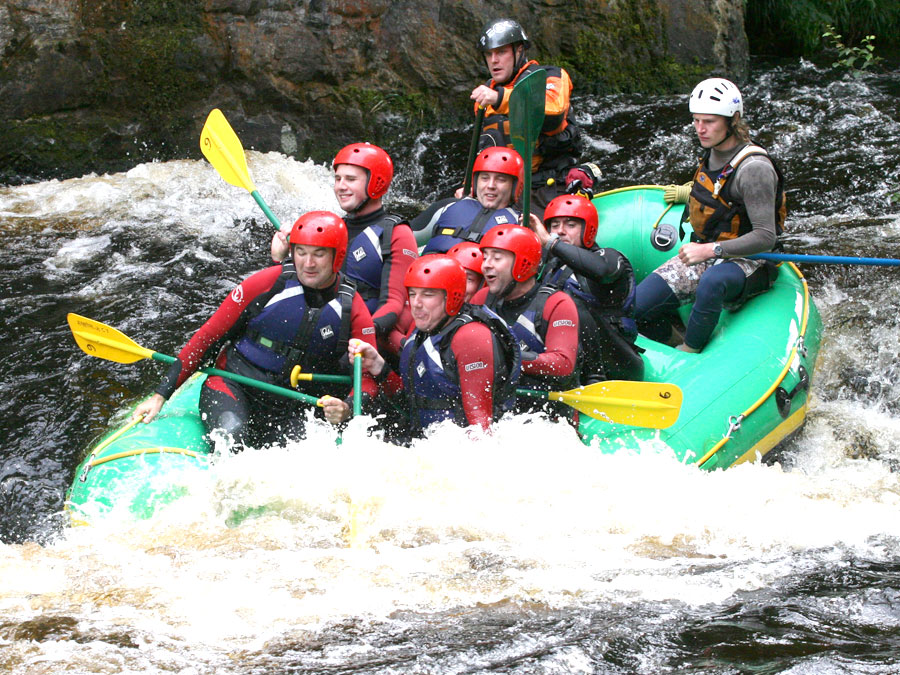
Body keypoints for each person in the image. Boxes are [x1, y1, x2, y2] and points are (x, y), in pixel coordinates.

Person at [136, 211, 377, 446]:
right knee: (233, 436)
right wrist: (161, 395)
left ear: (337, 256)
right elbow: (208, 337)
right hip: (234, 384)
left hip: (293, 405)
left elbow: (367, 378)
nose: (308, 263)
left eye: (319, 254)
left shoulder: (351, 307)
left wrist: (346, 408)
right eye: (301, 252)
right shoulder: (267, 283)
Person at [634, 77, 785, 353]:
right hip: (709, 252)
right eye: (696, 120)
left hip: (750, 260)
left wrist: (710, 250)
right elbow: (719, 195)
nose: (700, 129)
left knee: (713, 282)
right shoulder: (714, 150)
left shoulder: (754, 168)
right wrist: (687, 193)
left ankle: (691, 350)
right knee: (634, 307)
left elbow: (766, 236)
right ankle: (672, 343)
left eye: (709, 122)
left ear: (733, 120)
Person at [346, 255, 521, 436]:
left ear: (452, 296)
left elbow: (481, 428)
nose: (416, 303)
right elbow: (411, 402)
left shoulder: (471, 338)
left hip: (457, 448)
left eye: (428, 294)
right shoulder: (424, 332)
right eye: (412, 294)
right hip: (425, 443)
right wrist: (377, 365)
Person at [271, 142, 418, 356]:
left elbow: (394, 303)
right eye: (338, 179)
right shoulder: (332, 228)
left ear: (376, 183)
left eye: (350, 179)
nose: (340, 186)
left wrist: (362, 333)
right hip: (325, 327)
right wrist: (281, 258)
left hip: (365, 337)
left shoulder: (396, 233)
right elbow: (303, 289)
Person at [470, 17, 595, 216]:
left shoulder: (550, 76)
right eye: (489, 54)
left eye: (501, 52)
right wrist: (470, 185)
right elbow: (482, 150)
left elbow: (552, 113)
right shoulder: (485, 95)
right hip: (505, 190)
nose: (494, 60)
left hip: (548, 186)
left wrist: (501, 98)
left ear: (519, 50)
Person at [529, 194, 644, 383]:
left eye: (570, 225)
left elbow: (602, 270)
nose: (561, 231)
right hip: (567, 360)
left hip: (617, 364)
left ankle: (594, 377)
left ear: (588, 229)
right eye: (555, 225)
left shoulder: (609, 258)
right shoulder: (548, 267)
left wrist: (551, 243)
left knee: (566, 304)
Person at [469, 225, 580, 413]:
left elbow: (563, 364)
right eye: (485, 256)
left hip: (544, 414)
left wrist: (505, 358)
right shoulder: (482, 299)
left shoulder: (556, 303)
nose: (486, 264)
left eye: (496, 257)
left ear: (523, 263)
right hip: (498, 409)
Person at [419, 147, 523, 254]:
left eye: (501, 180)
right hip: (431, 267)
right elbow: (405, 236)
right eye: (484, 178)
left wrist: (541, 241)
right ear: (476, 181)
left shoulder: (520, 226)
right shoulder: (448, 206)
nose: (491, 186)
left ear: (515, 186)